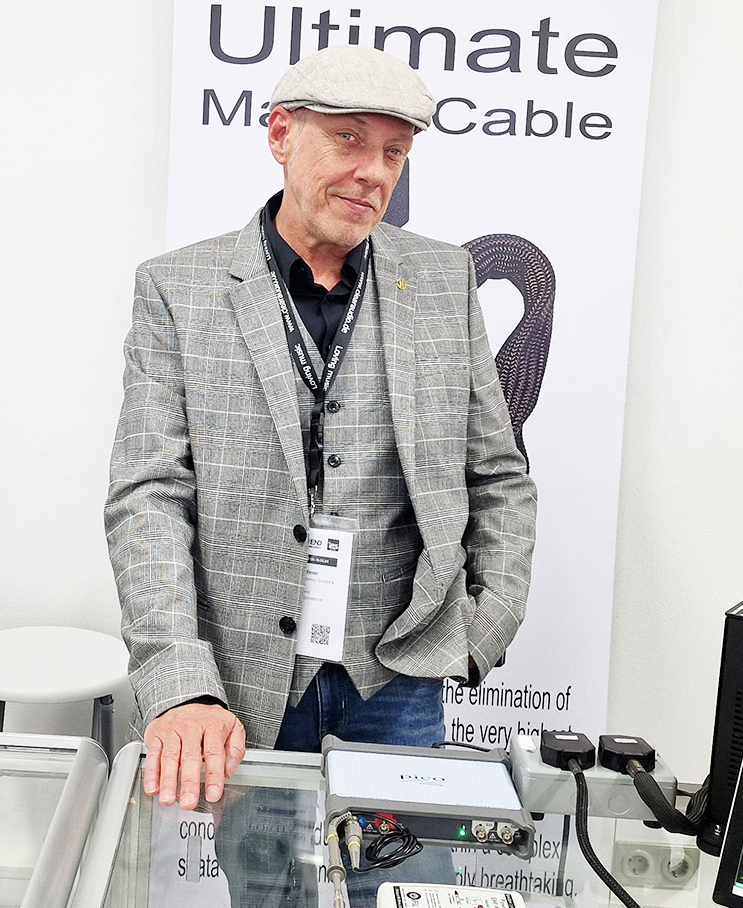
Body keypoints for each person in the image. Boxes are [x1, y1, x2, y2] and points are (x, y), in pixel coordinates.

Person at [105, 44, 536, 891]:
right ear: (280, 135)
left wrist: (482, 631)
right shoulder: (178, 288)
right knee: (268, 889)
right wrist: (180, 681)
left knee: (395, 884)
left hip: (400, 671)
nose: (373, 172)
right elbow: (147, 494)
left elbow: (498, 474)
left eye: (393, 152)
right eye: (348, 140)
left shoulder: (444, 281)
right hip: (247, 675)